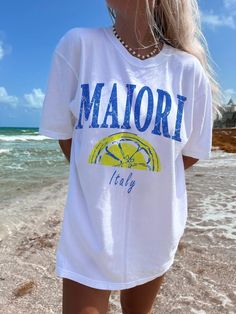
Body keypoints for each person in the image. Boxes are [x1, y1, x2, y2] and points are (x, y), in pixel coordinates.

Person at [39, 0, 222, 313]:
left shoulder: (188, 71)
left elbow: (187, 154)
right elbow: (67, 136)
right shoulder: (79, 46)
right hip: (89, 229)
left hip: (155, 228)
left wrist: (139, 175)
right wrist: (103, 178)